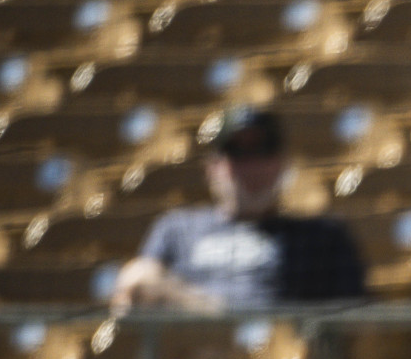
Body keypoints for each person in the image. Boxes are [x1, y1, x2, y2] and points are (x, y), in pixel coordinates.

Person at [110, 107, 366, 314]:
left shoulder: (322, 236)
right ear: (212, 167)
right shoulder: (176, 228)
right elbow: (133, 288)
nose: (251, 166)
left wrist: (199, 307)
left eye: (262, 151)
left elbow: (352, 319)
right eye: (236, 153)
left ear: (283, 165)